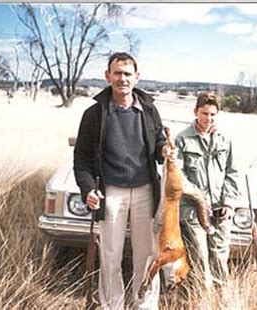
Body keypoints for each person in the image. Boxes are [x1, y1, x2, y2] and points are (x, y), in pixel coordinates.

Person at [73, 52, 171, 309]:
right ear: (108, 76)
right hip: (110, 192)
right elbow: (81, 158)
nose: (122, 79)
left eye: (128, 74)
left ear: (137, 77)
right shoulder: (94, 114)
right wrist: (87, 191)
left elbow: (159, 140)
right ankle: (111, 306)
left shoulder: (149, 110)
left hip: (145, 191)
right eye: (117, 73)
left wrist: (163, 150)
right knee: (110, 256)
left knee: (147, 256)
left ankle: (145, 305)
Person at [173, 92, 240, 290]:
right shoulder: (183, 139)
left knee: (220, 254)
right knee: (200, 256)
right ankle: (201, 298)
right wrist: (199, 198)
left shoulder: (224, 140)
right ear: (196, 112)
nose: (208, 119)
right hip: (193, 210)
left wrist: (228, 202)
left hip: (220, 210)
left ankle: (221, 298)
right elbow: (178, 176)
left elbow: (232, 172)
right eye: (204, 114)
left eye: (213, 114)